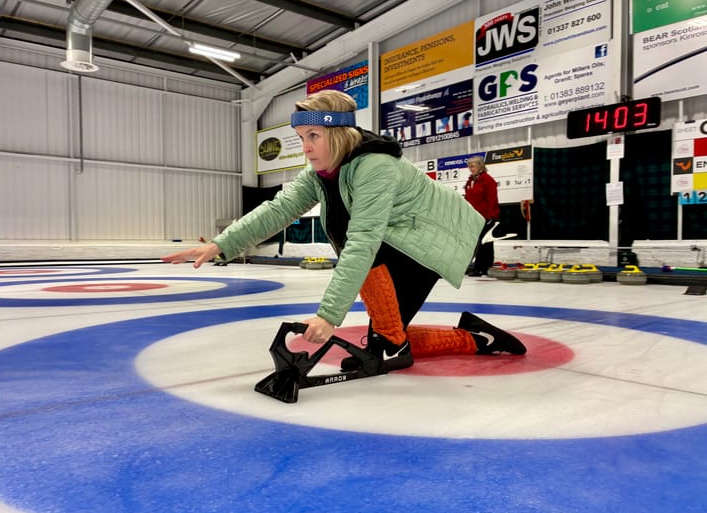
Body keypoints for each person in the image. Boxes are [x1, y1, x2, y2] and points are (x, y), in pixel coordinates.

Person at [162, 90, 525, 373]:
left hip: (432, 240)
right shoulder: (321, 173)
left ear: (338, 133)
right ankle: (476, 338)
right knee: (384, 341)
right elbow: (279, 208)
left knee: (379, 310)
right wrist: (221, 244)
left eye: (314, 135)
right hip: (401, 241)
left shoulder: (375, 168)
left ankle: (397, 346)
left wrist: (328, 315)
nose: (305, 148)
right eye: (301, 137)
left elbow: (364, 240)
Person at [464, 154, 500, 277]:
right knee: (475, 242)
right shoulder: (470, 181)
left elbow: (492, 200)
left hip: (486, 217)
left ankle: (484, 268)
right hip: (473, 218)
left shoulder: (488, 181)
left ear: (480, 166)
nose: (470, 168)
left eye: (472, 166)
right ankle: (477, 266)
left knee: (485, 243)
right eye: (469, 166)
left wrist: (492, 216)